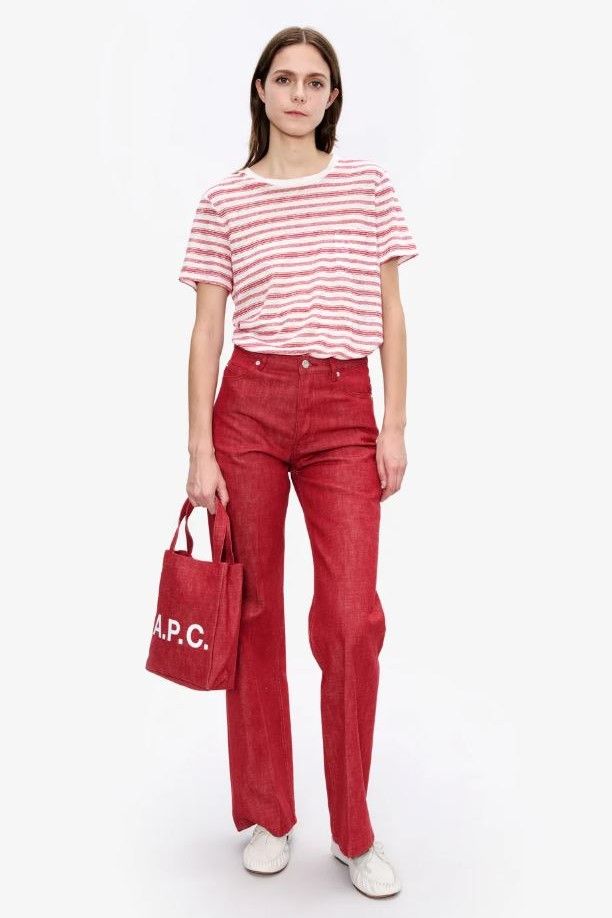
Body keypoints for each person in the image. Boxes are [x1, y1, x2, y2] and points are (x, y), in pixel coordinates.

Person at [177, 26, 418, 899]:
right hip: (248, 404)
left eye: (316, 82)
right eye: (285, 79)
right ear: (261, 89)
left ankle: (354, 830)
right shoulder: (225, 200)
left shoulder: (368, 188)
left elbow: (392, 314)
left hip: (345, 411)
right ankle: (268, 814)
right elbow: (207, 330)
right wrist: (199, 447)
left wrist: (393, 425)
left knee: (351, 621)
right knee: (252, 612)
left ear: (332, 97)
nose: (299, 95)